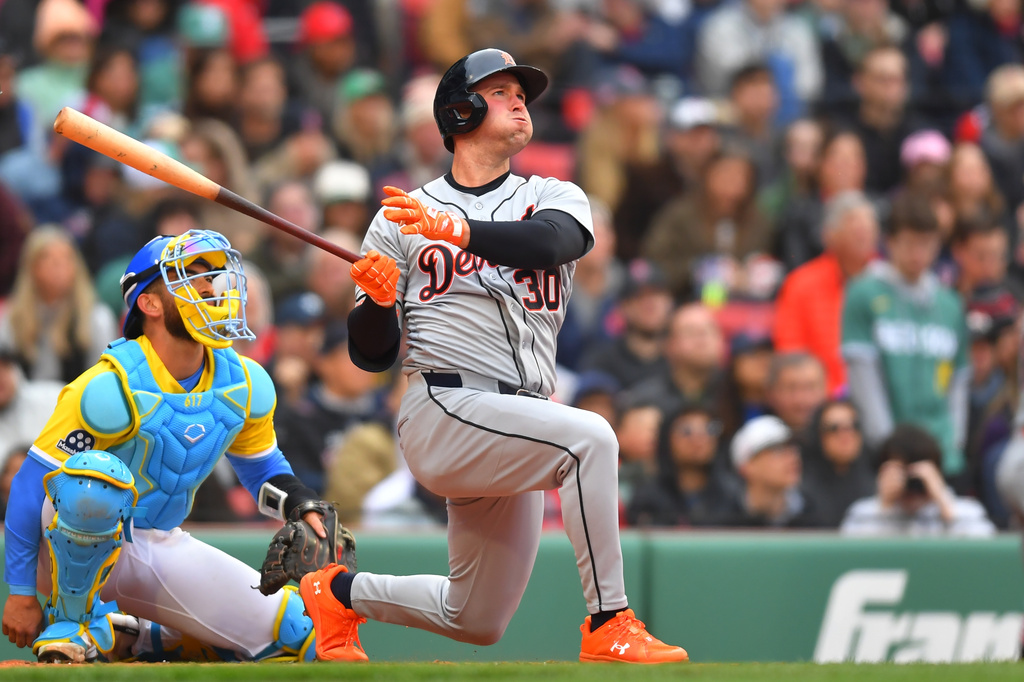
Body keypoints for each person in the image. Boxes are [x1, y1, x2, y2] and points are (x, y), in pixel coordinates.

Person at [298, 48, 688, 664]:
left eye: (521, 92)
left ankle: (337, 592)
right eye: (501, 90)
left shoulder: (553, 195)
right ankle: (609, 621)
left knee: (475, 617)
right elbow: (372, 356)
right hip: (444, 406)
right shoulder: (400, 218)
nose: (518, 100)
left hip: (519, 420)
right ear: (461, 109)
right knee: (591, 439)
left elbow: (553, 243)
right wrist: (373, 304)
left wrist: (458, 232)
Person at [1, 230, 333, 663]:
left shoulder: (244, 381)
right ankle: (71, 624)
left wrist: (301, 504)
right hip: (67, 544)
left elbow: (261, 468)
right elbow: (30, 486)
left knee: (299, 634)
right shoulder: (109, 386)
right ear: (150, 303)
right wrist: (21, 592)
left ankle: (140, 636)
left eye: (212, 276)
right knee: (94, 479)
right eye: (189, 277)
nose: (209, 287)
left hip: (156, 542)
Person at [842, 192, 970, 480]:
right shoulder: (864, 293)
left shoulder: (950, 304)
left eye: (926, 244)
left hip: (942, 451)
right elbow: (863, 375)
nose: (917, 254)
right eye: (910, 243)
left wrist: (954, 443)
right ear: (890, 242)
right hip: (887, 453)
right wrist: (889, 448)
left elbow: (958, 380)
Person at [772, 191, 879, 393]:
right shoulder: (801, 284)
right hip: (817, 399)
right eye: (853, 223)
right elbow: (790, 354)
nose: (862, 230)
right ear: (829, 234)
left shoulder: (887, 284)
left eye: (868, 226)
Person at [843, 424, 995, 537]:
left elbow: (986, 553)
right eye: (902, 473)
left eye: (916, 475)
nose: (910, 484)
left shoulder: (966, 512)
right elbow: (849, 554)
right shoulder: (863, 513)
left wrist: (945, 506)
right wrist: (884, 508)